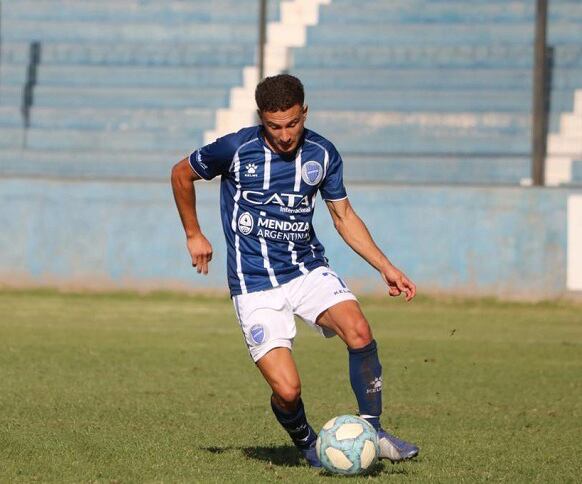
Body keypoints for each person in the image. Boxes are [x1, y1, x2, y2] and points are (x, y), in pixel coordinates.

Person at [171, 74, 419, 467]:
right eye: (274, 126)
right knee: (287, 391)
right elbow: (180, 173)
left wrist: (384, 266)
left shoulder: (322, 154)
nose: (285, 135)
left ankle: (373, 428)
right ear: (261, 119)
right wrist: (193, 233)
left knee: (359, 330)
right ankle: (309, 445)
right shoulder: (237, 148)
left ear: (304, 113)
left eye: (292, 123)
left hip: (306, 270)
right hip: (254, 285)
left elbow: (344, 216)